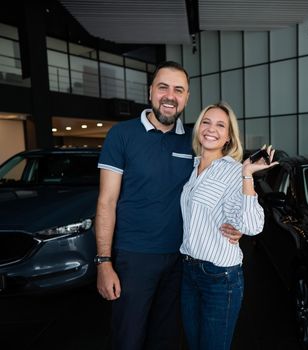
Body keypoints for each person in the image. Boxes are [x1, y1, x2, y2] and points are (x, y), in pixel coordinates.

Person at [94, 61, 241, 350]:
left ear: (186, 97)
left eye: (178, 90)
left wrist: (237, 225)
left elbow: (217, 190)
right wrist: (103, 262)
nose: (170, 96)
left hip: (182, 260)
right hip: (134, 258)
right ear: (150, 92)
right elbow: (106, 201)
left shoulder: (194, 141)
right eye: (163, 87)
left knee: (167, 340)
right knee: (128, 339)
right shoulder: (122, 135)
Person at [179, 101, 277, 350]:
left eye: (220, 125)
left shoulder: (234, 171)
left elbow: (254, 226)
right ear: (198, 128)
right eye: (206, 122)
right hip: (189, 272)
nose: (211, 129)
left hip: (219, 277)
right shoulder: (193, 168)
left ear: (228, 137)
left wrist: (247, 174)